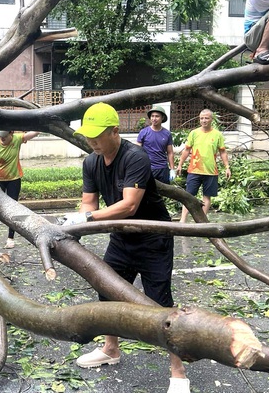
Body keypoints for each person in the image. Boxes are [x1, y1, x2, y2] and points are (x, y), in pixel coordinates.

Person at [63, 103, 190, 393]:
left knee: (159, 303)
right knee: (106, 293)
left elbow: (129, 205)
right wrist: (78, 222)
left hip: (152, 238)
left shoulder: (136, 156)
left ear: (115, 131)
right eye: (88, 136)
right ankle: (111, 349)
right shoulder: (91, 161)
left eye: (97, 135)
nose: (91, 141)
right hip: (121, 239)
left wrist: (87, 217)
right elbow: (89, 202)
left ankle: (178, 371)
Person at [0, 130, 39, 249]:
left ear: (11, 134)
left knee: (13, 208)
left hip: (14, 179)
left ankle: (10, 238)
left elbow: (30, 135)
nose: (2, 138)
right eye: (0, 136)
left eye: (4, 136)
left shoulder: (17, 139)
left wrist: (39, 128)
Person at [177, 109, 231, 223]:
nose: (204, 120)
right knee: (188, 196)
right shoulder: (194, 133)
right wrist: (180, 164)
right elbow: (187, 150)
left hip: (211, 171)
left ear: (211, 119)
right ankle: (182, 221)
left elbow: (222, 152)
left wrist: (227, 167)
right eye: (201, 118)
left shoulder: (217, 135)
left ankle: (202, 222)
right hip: (194, 170)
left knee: (207, 197)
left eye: (206, 118)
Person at [136, 106, 175, 184]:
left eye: (157, 116)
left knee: (163, 193)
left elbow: (170, 153)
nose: (154, 118)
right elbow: (137, 151)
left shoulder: (167, 134)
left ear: (162, 118)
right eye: (152, 116)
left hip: (162, 169)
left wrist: (172, 169)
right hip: (148, 168)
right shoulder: (144, 132)